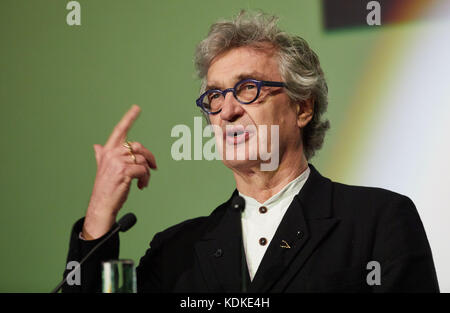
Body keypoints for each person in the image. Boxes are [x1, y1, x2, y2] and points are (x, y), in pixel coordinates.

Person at [61, 11, 439, 292]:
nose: (227, 110)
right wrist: (98, 214)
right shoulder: (176, 252)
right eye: (214, 96)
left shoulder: (379, 221)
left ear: (302, 108)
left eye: (248, 89)